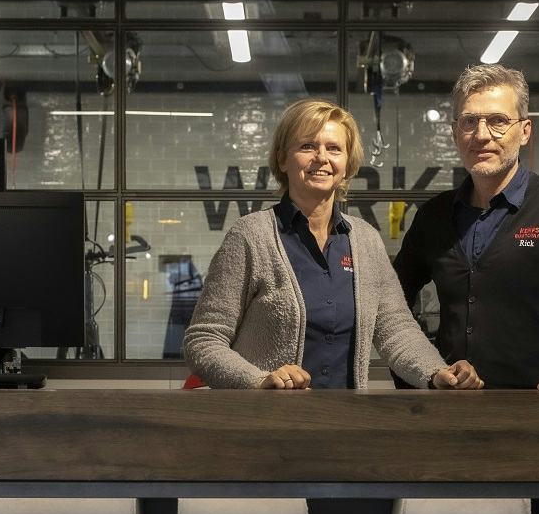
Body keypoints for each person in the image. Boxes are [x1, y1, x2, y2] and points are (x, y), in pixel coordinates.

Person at [183, 98, 482, 391]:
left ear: (347, 163)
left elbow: (397, 330)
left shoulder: (365, 241)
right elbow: (204, 339)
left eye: (334, 148)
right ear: (283, 159)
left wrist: (437, 372)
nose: (321, 158)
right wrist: (259, 380)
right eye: (307, 146)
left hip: (342, 426)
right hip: (266, 428)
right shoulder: (251, 236)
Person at [393, 64, 539, 391]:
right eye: (469, 121)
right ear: (454, 131)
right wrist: (423, 371)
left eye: (499, 121)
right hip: (446, 414)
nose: (482, 135)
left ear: (526, 130)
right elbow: (392, 303)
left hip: (537, 411)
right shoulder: (435, 214)